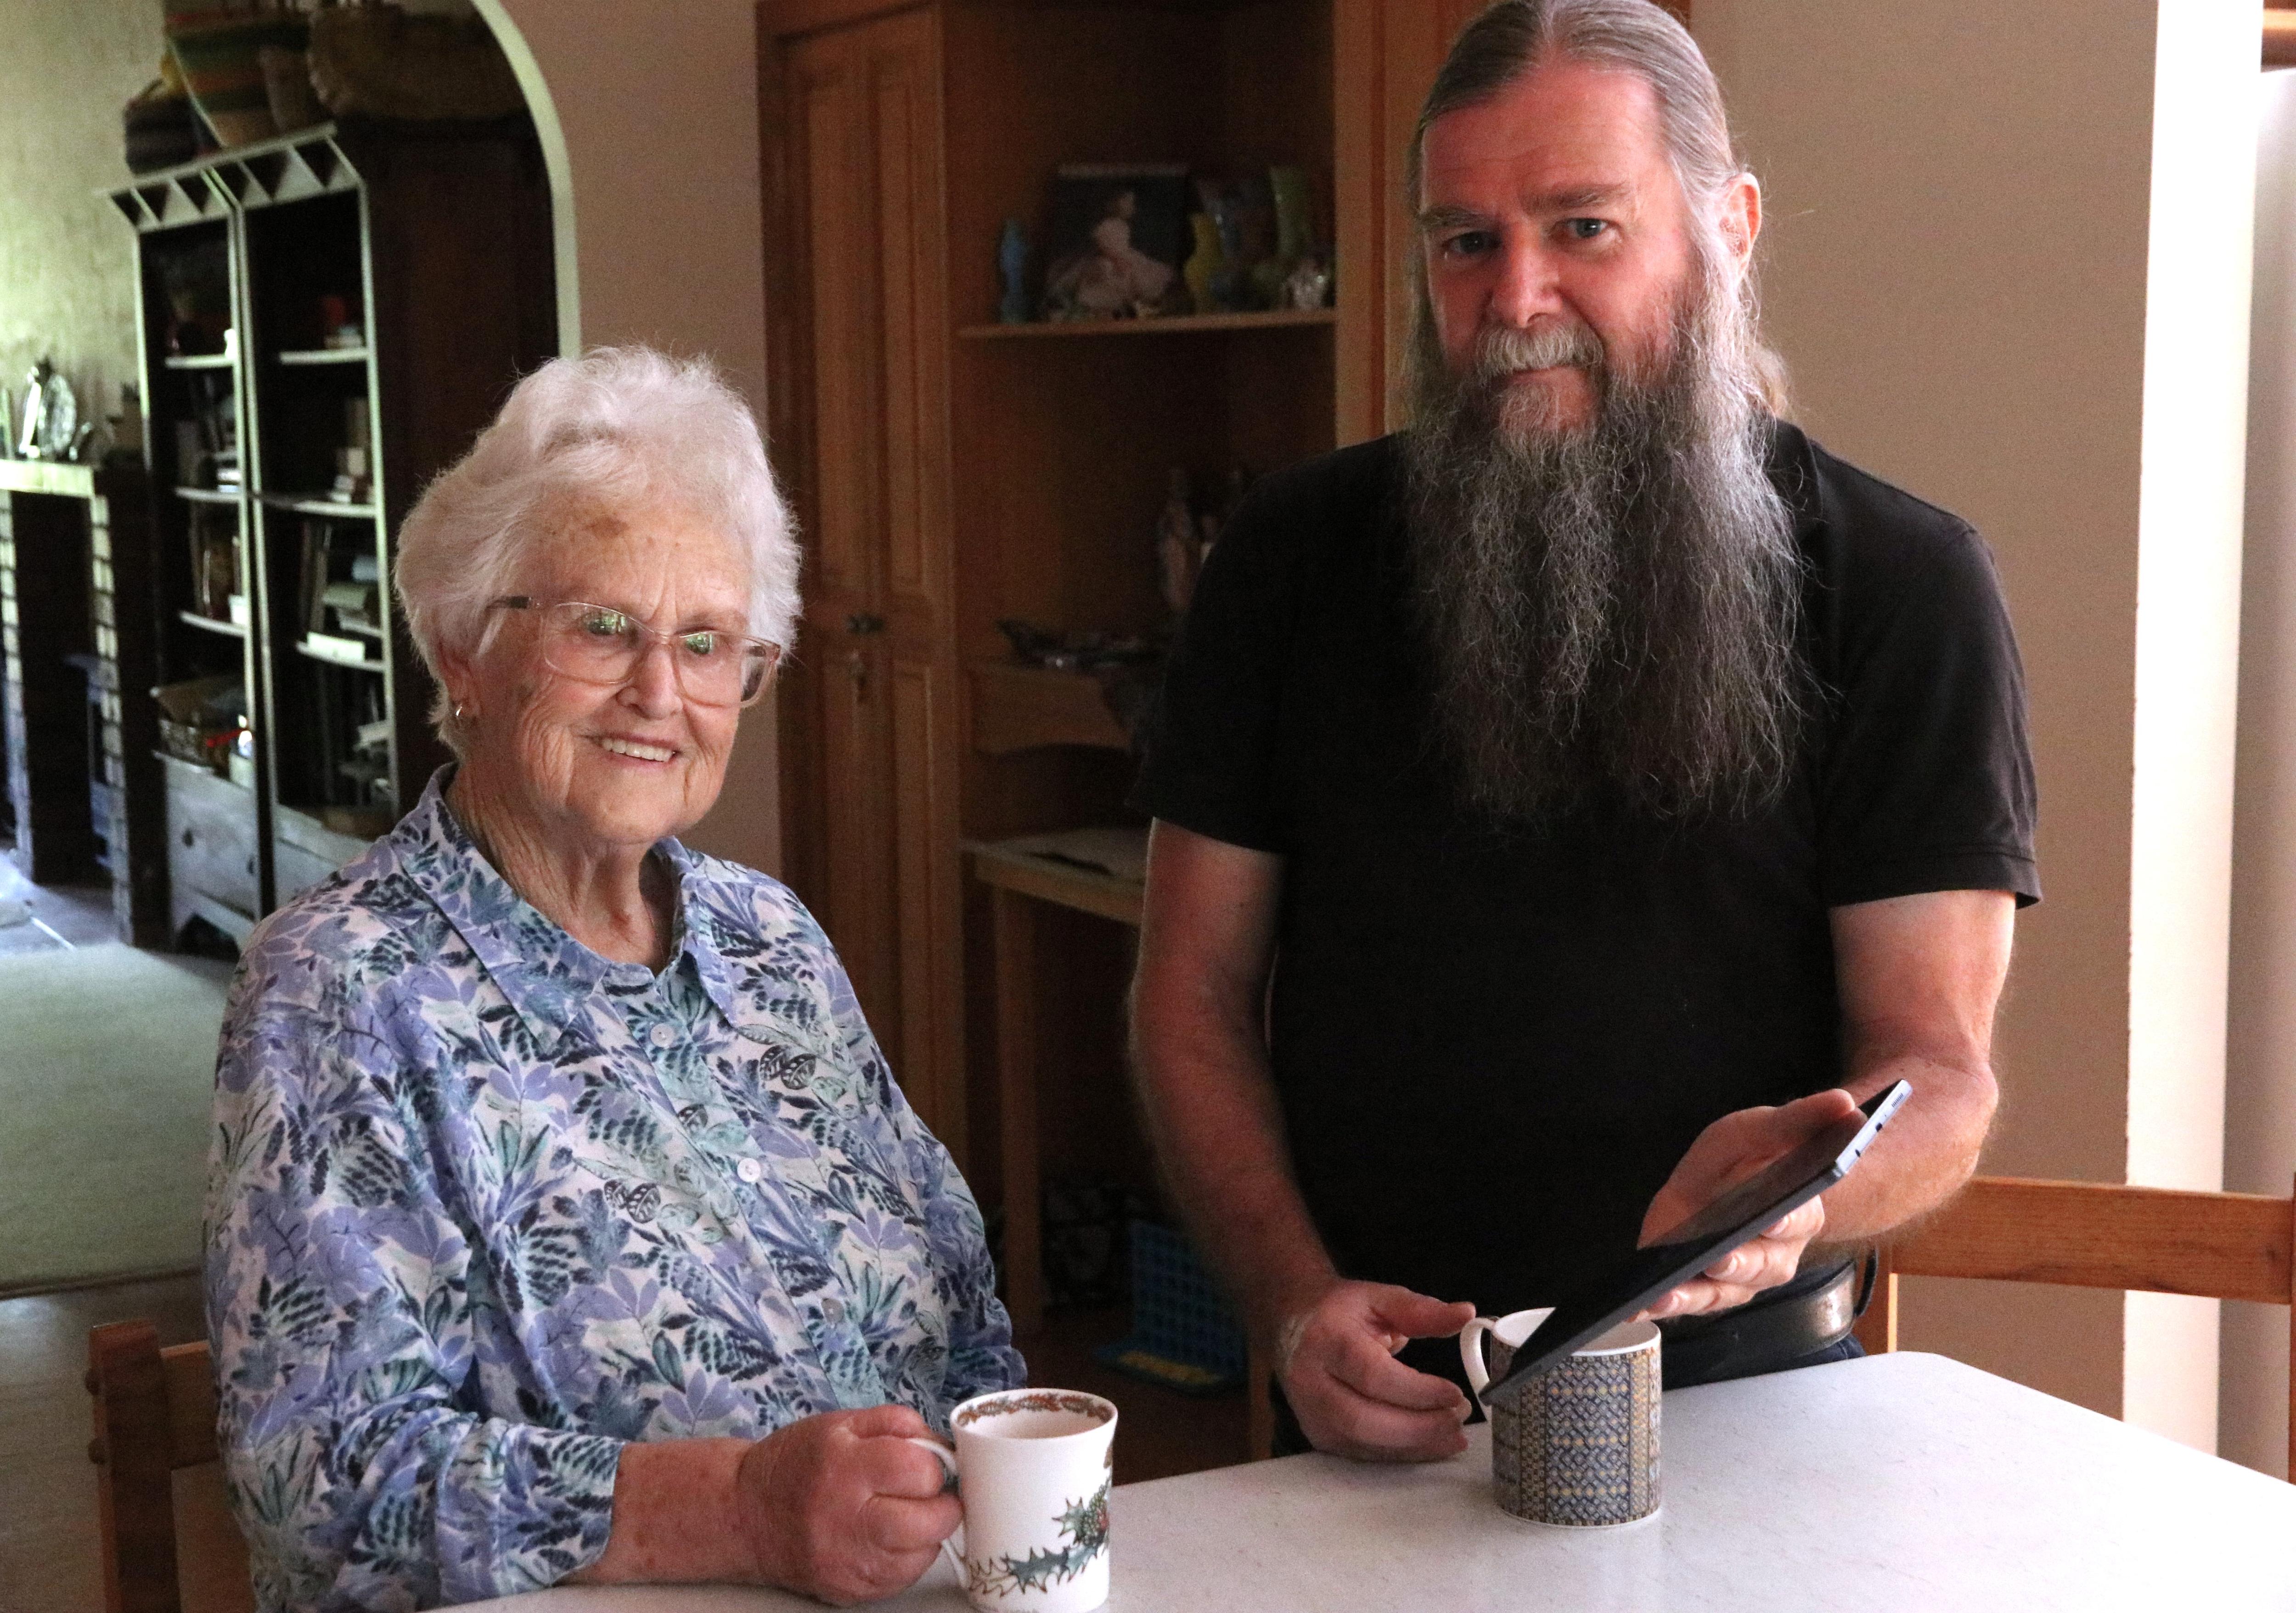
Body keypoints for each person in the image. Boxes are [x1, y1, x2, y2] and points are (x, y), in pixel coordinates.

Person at [1129, 0, 2037, 1463]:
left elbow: (1936, 1070)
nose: (1518, 295)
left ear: (1727, 229)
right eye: (1465, 240)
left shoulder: (1903, 585)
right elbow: (1192, 995)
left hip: (1755, 1418)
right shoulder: (1290, 561)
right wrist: (1292, 1308)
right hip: (1384, 1407)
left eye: (1585, 228)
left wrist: (1791, 1203)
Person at [205, 347, 1020, 1611]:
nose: (661, 693)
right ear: (462, 647)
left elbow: (964, 1320)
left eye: (709, 644)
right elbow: (323, 1485)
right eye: (603, 627)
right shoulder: (343, 987)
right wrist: (737, 1510)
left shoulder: (773, 939)